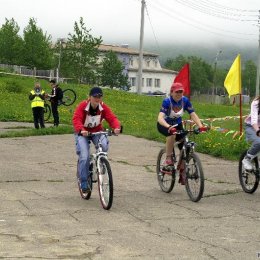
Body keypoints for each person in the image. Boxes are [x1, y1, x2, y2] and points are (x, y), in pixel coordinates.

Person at [72, 86, 121, 195]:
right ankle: (84, 182)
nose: (97, 99)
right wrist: (81, 130)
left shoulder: (103, 107)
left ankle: (101, 162)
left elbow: (112, 118)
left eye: (99, 96)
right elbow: (76, 119)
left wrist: (116, 127)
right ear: (89, 97)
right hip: (83, 133)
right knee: (84, 156)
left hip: (96, 131)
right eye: (95, 96)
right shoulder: (82, 106)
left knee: (103, 144)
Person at [157, 82, 207, 167]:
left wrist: (200, 126)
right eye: (177, 92)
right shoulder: (167, 101)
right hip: (164, 124)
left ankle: (182, 167)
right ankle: (168, 158)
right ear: (172, 92)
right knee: (172, 135)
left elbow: (193, 114)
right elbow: (160, 118)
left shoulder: (185, 100)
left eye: (181, 92)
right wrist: (168, 127)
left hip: (177, 124)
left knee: (185, 143)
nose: (179, 94)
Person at [242, 96, 260, 170]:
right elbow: (254, 121)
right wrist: (258, 131)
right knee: (259, 142)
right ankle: (247, 158)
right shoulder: (256, 103)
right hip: (252, 127)